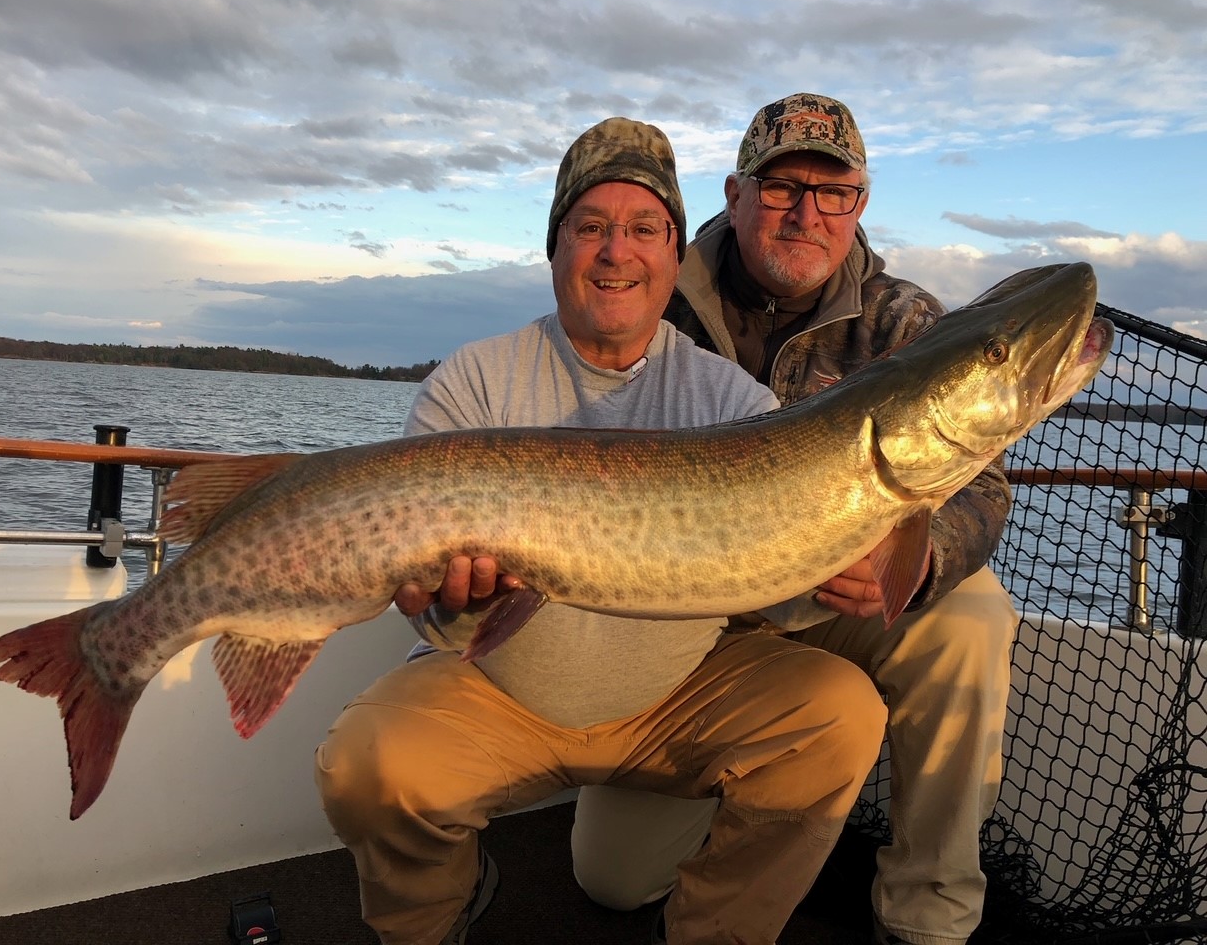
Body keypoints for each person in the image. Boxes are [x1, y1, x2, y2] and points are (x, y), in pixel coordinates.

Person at [314, 116, 889, 945]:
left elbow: (783, 595)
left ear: (673, 254)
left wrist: (842, 569)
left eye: (645, 229)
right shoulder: (473, 382)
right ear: (556, 248)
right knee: (367, 762)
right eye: (591, 227)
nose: (618, 251)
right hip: (497, 692)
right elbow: (431, 613)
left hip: (673, 705)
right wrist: (458, 602)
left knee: (838, 714)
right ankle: (433, 923)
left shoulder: (733, 404)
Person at [571, 94, 1018, 945]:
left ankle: (929, 920)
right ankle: (745, 817)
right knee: (616, 880)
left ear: (859, 204)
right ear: (736, 197)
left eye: (833, 191)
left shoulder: (905, 320)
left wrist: (920, 561)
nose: (806, 213)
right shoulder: (653, 299)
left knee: (969, 617)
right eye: (781, 189)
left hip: (840, 605)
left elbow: (981, 483)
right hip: (695, 627)